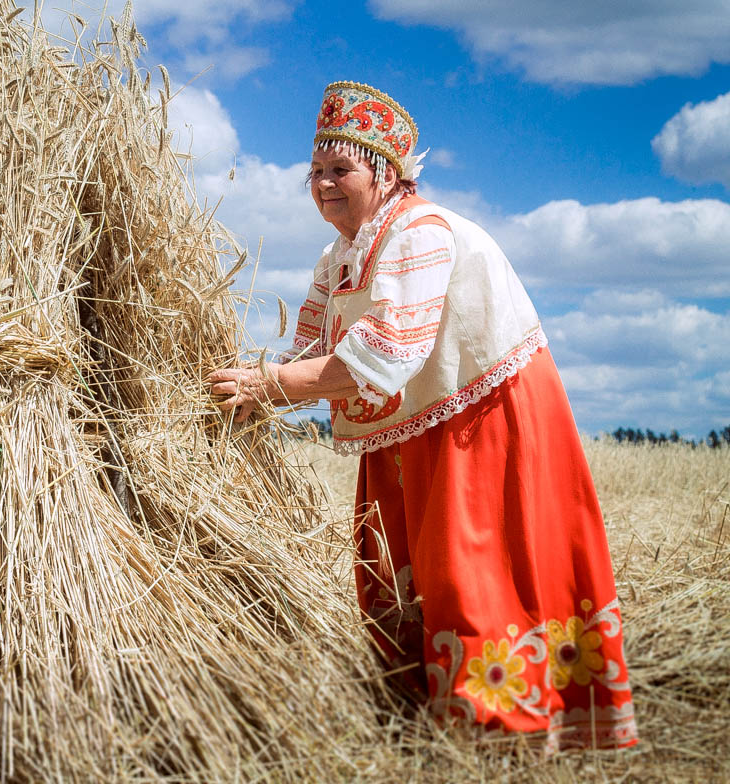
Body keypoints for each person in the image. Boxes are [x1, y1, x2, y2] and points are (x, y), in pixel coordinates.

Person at [208, 81, 637, 750]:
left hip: (482, 414)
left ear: (386, 174)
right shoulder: (339, 256)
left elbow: (379, 357)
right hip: (411, 417)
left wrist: (268, 386)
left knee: (471, 563)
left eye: (340, 169)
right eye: (315, 171)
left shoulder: (420, 234)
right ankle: (425, 712)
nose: (322, 184)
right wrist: (244, 380)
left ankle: (500, 730)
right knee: (393, 565)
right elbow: (310, 351)